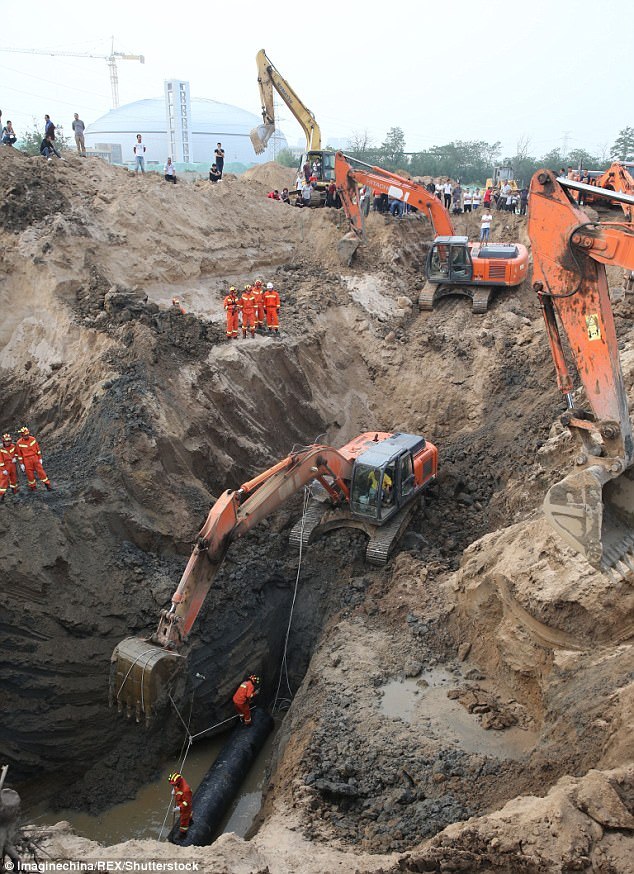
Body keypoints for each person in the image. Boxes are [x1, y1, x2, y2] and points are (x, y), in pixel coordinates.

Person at [16, 427, 52, 491]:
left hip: (35, 458)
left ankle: (48, 486)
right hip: (26, 460)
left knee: (41, 472)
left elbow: (38, 449)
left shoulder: (33, 439)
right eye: (25, 435)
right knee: (30, 475)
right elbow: (19, 455)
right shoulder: (19, 443)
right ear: (22, 435)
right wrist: (21, 464)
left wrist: (40, 458)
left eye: (27, 435)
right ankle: (33, 488)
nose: (26, 436)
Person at [167, 773, 193, 840]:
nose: (172, 785)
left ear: (177, 782)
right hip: (181, 802)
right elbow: (177, 788)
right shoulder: (178, 782)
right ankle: (190, 819)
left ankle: (183, 833)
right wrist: (174, 790)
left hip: (185, 807)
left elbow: (187, 802)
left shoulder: (186, 790)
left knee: (184, 819)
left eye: (173, 784)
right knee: (188, 815)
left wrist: (179, 808)